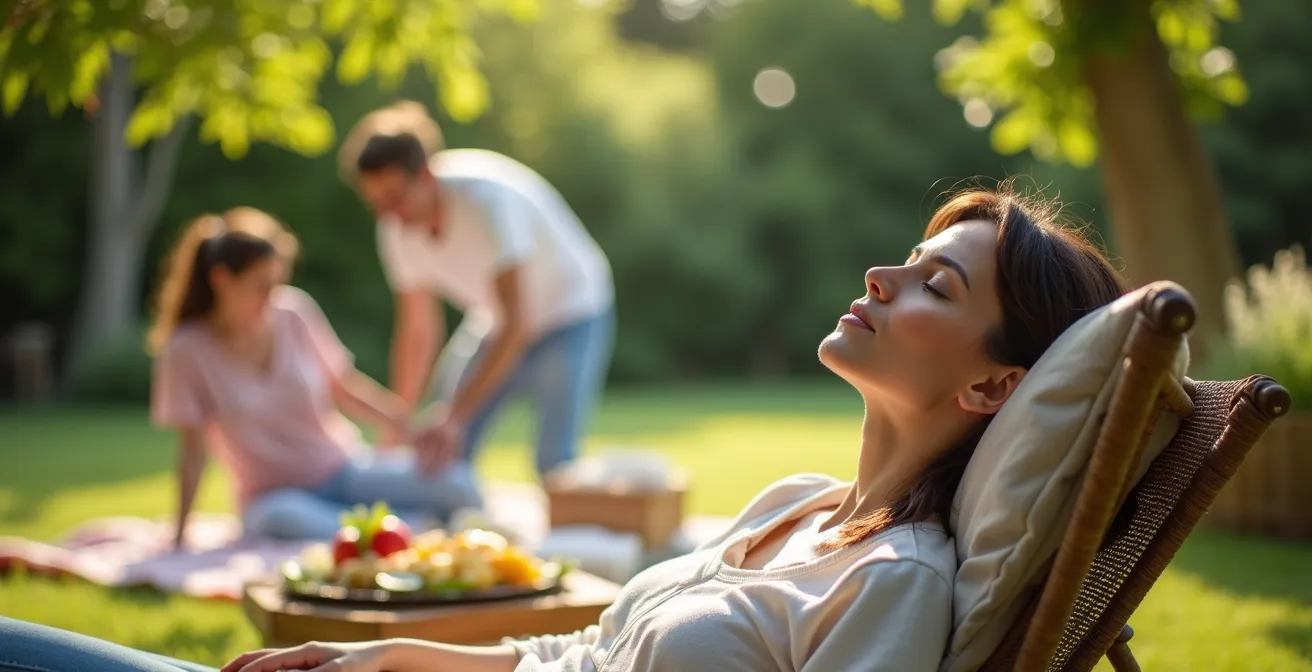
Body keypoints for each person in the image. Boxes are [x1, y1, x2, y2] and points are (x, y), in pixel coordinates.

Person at [3, 186, 1126, 671]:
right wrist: (384, 651)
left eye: (933, 283)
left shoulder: (897, 582)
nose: (882, 273)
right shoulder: (792, 511)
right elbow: (568, 655)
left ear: (991, 388)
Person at [147, 207, 483, 545]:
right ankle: (406, 530)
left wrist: (413, 428)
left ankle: (398, 528)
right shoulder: (186, 350)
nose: (271, 298)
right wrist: (179, 536)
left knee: (460, 485)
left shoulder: (293, 312)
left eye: (277, 284)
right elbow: (192, 449)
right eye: (260, 287)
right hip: (276, 497)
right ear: (221, 279)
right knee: (287, 520)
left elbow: (346, 388)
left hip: (343, 470)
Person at [336, 101, 615, 479]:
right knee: (446, 449)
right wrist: (398, 424)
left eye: (396, 198)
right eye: (376, 204)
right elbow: (417, 332)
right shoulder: (394, 229)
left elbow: (518, 324)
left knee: (553, 462)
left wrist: (453, 414)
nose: (388, 213)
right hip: (495, 321)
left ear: (426, 177)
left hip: (571, 313)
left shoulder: (488, 201)